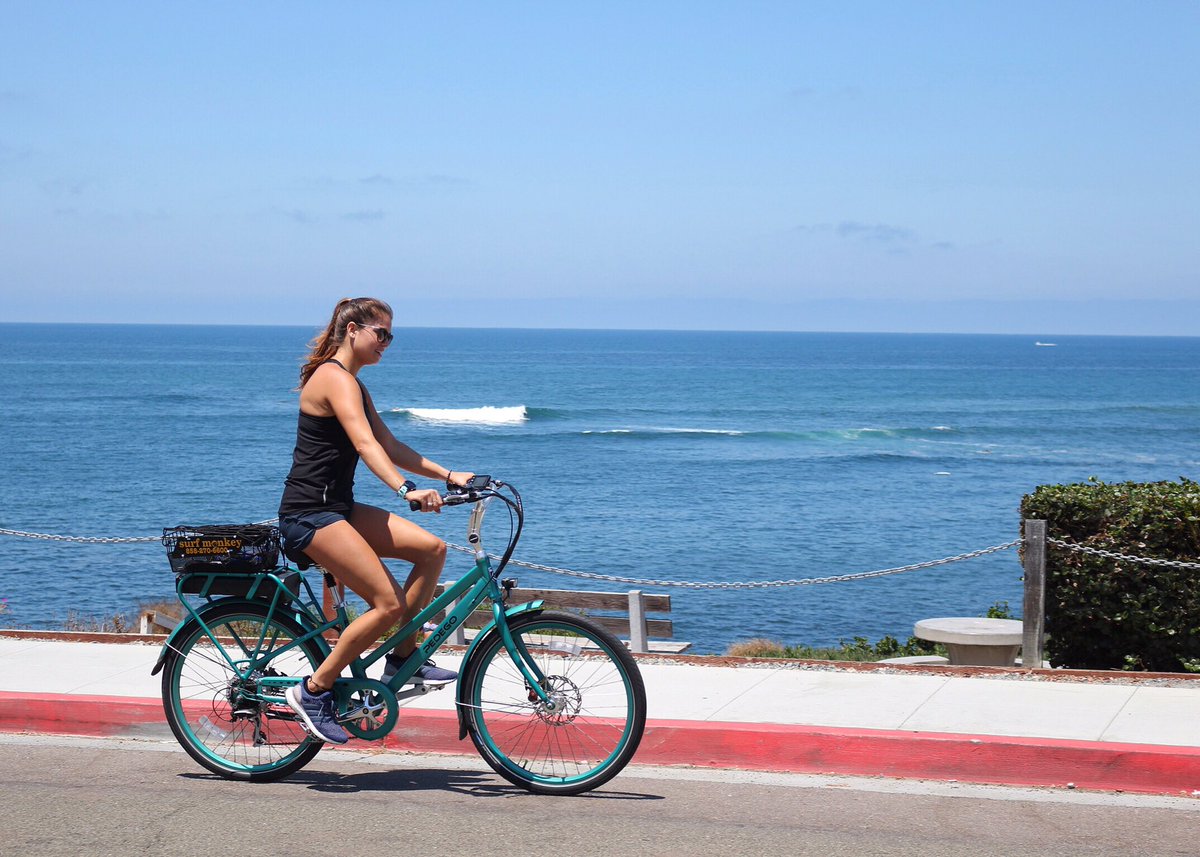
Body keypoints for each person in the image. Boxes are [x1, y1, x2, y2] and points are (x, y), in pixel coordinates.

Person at [279, 297, 473, 744]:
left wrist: (448, 475)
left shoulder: (354, 384)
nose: (387, 342)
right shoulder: (332, 378)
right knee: (387, 603)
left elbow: (387, 442)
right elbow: (366, 445)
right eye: (380, 333)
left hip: (338, 508)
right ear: (352, 330)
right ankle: (314, 691)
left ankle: (405, 656)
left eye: (391, 335)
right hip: (309, 513)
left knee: (431, 550)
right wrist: (405, 490)